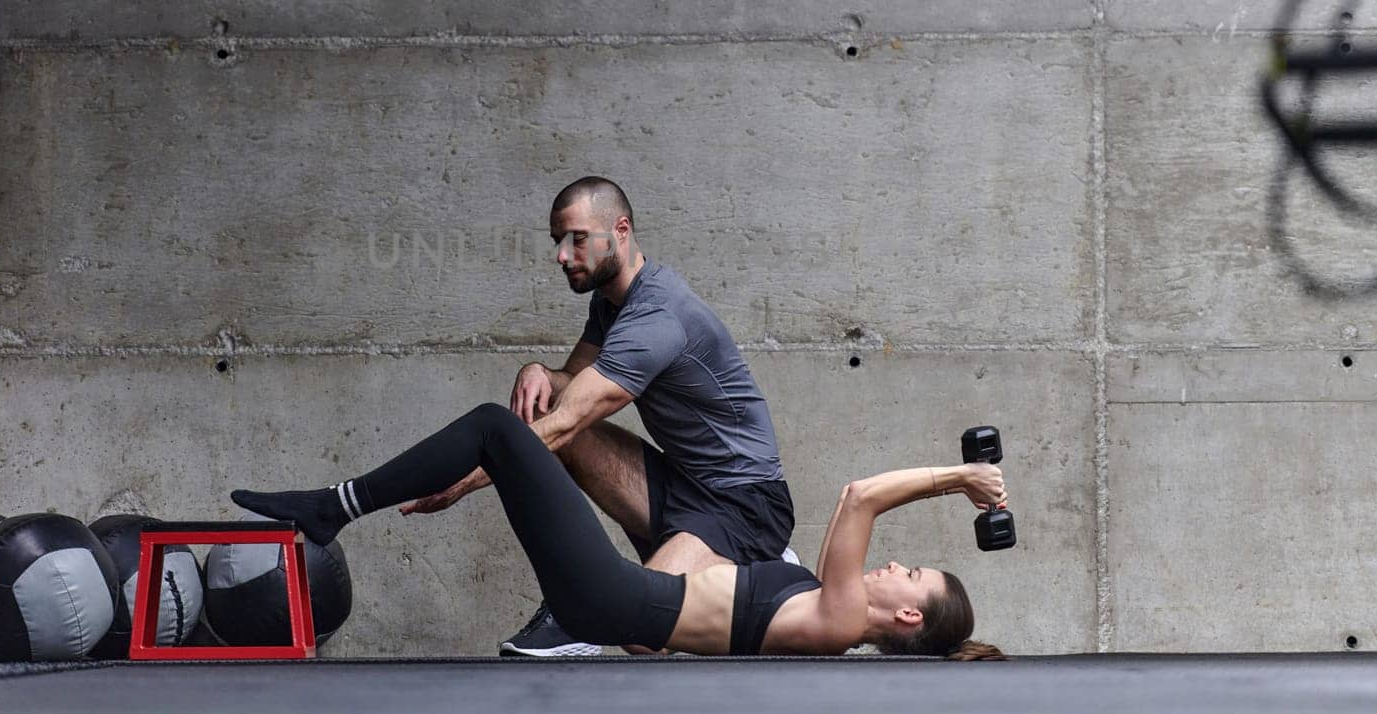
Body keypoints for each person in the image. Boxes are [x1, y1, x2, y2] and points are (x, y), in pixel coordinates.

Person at [231, 402, 1006, 658]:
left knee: (502, 430)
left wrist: (958, 477)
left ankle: (332, 507)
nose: (898, 565)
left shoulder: (838, 621)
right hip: (627, 602)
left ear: (908, 615)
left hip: (613, 596)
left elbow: (859, 496)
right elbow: (709, 586)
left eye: (913, 575)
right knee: (504, 433)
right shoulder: (815, 605)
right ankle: (333, 507)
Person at [403, 176, 795, 656]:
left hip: (745, 504)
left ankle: (755, 573)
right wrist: (537, 370)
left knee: (640, 636)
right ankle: (581, 602)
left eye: (577, 239)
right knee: (546, 407)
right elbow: (570, 387)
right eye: (557, 242)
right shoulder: (611, 303)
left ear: (621, 230)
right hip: (682, 487)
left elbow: (568, 422)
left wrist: (463, 480)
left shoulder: (657, 315)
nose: (562, 255)